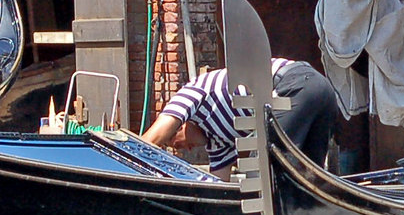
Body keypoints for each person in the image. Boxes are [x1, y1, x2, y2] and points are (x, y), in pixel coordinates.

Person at [142, 55, 340, 177]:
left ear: (181, 123)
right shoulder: (218, 143)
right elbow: (219, 184)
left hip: (296, 84)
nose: (184, 149)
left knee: (265, 168)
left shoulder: (192, 92)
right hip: (320, 93)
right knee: (308, 178)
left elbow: (151, 140)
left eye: (175, 142)